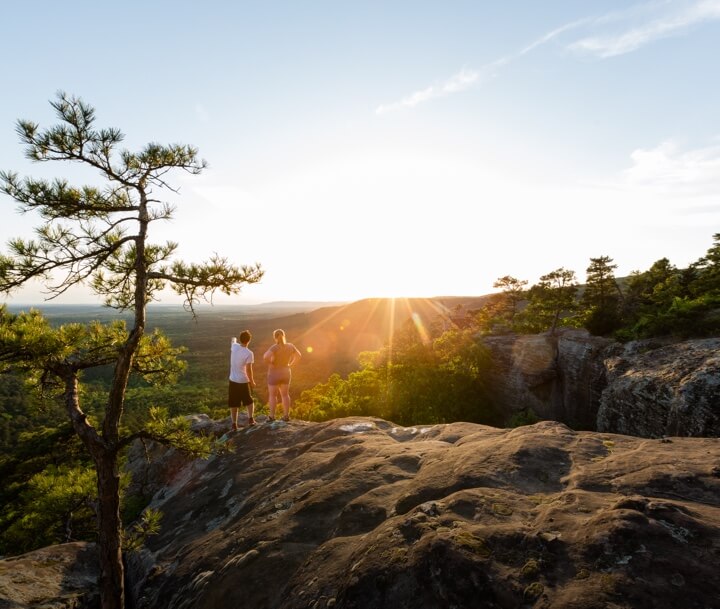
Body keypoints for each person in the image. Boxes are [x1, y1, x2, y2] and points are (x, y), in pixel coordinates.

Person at [264, 328, 302, 422]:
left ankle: (272, 417)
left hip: (274, 373)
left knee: (273, 395)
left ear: (275, 337)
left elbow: (265, 357)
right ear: (284, 336)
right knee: (285, 395)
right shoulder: (290, 346)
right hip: (286, 372)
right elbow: (299, 356)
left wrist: (271, 364)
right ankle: (286, 416)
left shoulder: (274, 347)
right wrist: (291, 364)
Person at [228, 330, 256, 430]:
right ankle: (251, 419)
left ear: (240, 339)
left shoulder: (234, 346)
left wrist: (236, 339)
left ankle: (234, 424)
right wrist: (252, 382)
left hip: (232, 380)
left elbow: (233, 339)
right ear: (249, 341)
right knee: (249, 401)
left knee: (233, 403)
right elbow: (249, 370)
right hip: (243, 381)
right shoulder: (249, 353)